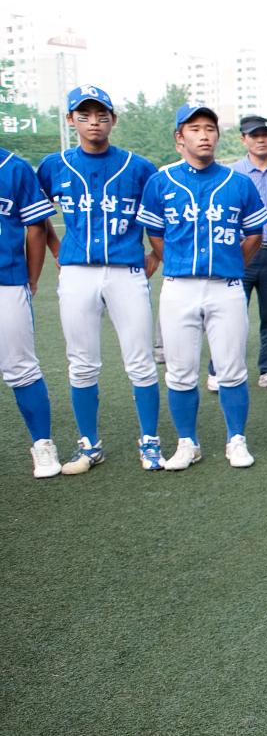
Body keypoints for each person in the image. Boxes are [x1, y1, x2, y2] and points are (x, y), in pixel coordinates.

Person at [37, 86, 164, 473]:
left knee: (140, 361)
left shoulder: (139, 167)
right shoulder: (53, 164)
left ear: (113, 118)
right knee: (81, 363)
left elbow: (160, 216)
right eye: (85, 114)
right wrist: (58, 250)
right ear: (71, 119)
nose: (94, 121)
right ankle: (89, 444)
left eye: (101, 114)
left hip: (126, 270)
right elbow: (36, 212)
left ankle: (150, 442)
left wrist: (154, 257)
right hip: (77, 272)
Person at [138, 103, 267, 470]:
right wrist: (179, 261)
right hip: (179, 285)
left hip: (226, 285)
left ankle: (236, 440)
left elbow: (255, 233)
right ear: (180, 137)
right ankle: (186, 442)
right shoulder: (161, 182)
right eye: (195, 129)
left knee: (231, 369)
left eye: (210, 128)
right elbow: (156, 235)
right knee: (179, 370)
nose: (204, 135)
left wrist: (230, 263)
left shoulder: (237, 182)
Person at [0, 146, 58, 477]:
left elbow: (36, 227)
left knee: (21, 367)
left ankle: (43, 444)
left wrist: (31, 279)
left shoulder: (13, 166)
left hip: (6, 280)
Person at [224, 115, 267, 392]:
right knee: (229, 313)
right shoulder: (232, 174)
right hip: (240, 252)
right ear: (244, 140)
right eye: (254, 135)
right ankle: (221, 368)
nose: (260, 139)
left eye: (265, 134)